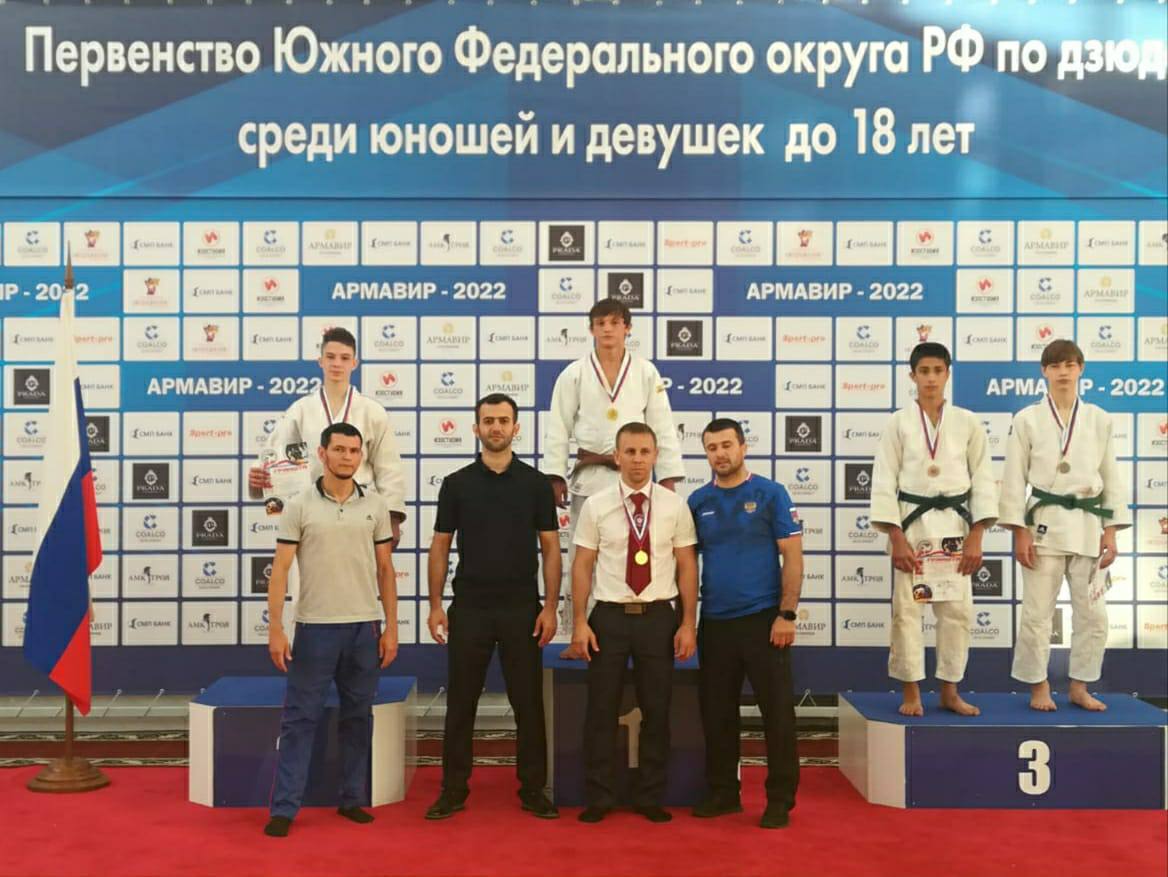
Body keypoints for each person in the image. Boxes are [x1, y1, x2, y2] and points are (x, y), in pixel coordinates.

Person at [424, 394, 562, 820]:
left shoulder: (536, 484)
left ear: (516, 428)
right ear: (476, 428)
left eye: (504, 420)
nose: (496, 427)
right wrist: (435, 605)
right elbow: (440, 546)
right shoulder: (457, 483)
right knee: (460, 703)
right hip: (470, 609)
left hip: (523, 610)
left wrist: (550, 607)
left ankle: (533, 789)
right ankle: (453, 789)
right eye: (488, 421)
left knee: (528, 704)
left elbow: (551, 549)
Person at [263, 423, 398, 837]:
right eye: (339, 449)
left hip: (363, 628)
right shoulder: (298, 505)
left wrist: (391, 628)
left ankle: (352, 799)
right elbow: (280, 569)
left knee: (358, 718)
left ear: (361, 456)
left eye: (354, 451)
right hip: (314, 628)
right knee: (299, 720)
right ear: (322, 453)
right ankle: (284, 809)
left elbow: (385, 570)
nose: (347, 457)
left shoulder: (375, 505)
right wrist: (275, 628)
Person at [570, 422, 699, 824]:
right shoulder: (596, 505)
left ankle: (650, 796)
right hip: (608, 618)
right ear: (617, 456)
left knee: (657, 710)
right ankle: (600, 796)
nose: (638, 460)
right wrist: (579, 622)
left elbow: (686, 566)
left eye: (645, 452)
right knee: (600, 709)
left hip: (658, 617)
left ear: (656, 455)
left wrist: (688, 623)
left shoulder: (675, 506)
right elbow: (582, 565)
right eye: (630, 452)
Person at [1000, 339, 1131, 712]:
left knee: (1093, 615)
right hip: (1044, 524)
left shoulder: (1099, 419)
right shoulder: (1026, 419)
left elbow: (1111, 476)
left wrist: (1110, 530)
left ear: (1081, 369)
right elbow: (1013, 479)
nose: (1062, 372)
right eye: (1055, 366)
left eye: (1069, 365)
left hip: (1088, 525)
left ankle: (1079, 685)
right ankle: (1038, 686)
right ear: (1044, 371)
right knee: (1037, 613)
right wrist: (1019, 531)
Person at [869, 342, 998, 717]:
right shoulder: (898, 423)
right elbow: (884, 481)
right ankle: (911, 692)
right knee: (907, 612)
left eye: (937, 371)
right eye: (923, 371)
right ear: (912, 376)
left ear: (947, 374)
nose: (930, 378)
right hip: (913, 526)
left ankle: (949, 691)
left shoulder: (968, 422)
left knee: (957, 612)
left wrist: (977, 534)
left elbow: (983, 480)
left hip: (957, 526)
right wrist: (895, 537)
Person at [687, 418, 803, 830]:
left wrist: (786, 614)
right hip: (715, 623)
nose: (720, 454)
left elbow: (793, 556)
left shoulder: (771, 494)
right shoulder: (698, 501)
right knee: (717, 714)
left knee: (777, 715)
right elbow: (686, 565)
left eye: (726, 445)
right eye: (712, 447)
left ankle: (780, 799)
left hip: (764, 621)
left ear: (743, 447)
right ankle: (723, 793)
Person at [544, 299, 684, 628]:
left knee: (635, 549)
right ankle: (580, 627)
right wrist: (555, 475)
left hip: (634, 478)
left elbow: (662, 426)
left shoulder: (646, 372)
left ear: (627, 328)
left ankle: (635, 623)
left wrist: (668, 477)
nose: (607, 329)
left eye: (615, 322)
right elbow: (558, 426)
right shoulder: (574, 373)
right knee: (584, 554)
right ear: (591, 329)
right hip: (590, 478)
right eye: (600, 323)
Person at [249, 327, 406, 543]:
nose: (337, 363)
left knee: (361, 565)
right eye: (330, 357)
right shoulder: (300, 410)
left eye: (345, 358)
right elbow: (274, 458)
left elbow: (388, 468)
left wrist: (392, 517)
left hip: (362, 510)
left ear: (354, 363)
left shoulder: (373, 411)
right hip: (312, 511)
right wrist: (261, 479)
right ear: (320, 361)